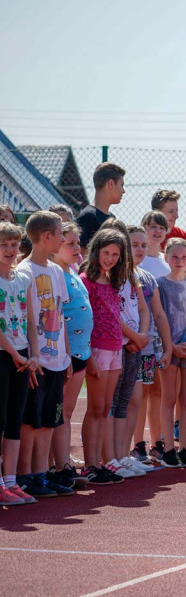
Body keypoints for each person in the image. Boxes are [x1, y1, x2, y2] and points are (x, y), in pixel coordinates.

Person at [17, 211, 74, 497]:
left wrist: (65, 356)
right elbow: (25, 319)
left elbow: (60, 315)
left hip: (56, 359)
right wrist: (30, 357)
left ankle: (40, 474)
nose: (64, 238)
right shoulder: (24, 273)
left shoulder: (56, 271)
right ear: (46, 236)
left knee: (50, 419)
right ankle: (23, 475)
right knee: (30, 419)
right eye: (60, 233)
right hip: (35, 360)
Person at [81, 228, 131, 481]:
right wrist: (88, 356)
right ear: (96, 251)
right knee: (96, 407)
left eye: (115, 254)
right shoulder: (85, 281)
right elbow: (84, 320)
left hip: (115, 348)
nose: (110, 258)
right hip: (97, 349)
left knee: (105, 409)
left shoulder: (113, 281)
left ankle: (100, 462)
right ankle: (89, 465)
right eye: (106, 252)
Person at [51, 222, 95, 488]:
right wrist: (66, 354)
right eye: (70, 243)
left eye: (78, 243)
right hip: (64, 355)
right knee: (57, 413)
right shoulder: (55, 273)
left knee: (66, 412)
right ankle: (55, 466)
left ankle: (62, 464)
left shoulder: (74, 272)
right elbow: (58, 317)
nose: (77, 248)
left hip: (80, 352)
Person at [108, 225, 153, 478]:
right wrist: (134, 336)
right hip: (120, 344)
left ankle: (123, 455)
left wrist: (142, 336)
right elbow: (113, 313)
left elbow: (143, 310)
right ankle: (112, 457)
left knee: (124, 401)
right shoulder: (112, 277)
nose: (135, 250)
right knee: (113, 402)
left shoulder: (134, 277)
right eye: (131, 244)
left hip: (136, 343)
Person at [155, 238, 186, 469]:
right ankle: (168, 449)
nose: (179, 261)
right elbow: (158, 317)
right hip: (168, 349)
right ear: (166, 257)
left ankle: (184, 448)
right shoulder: (159, 284)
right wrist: (171, 346)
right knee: (169, 398)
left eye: (184, 257)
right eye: (175, 256)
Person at [126, 226, 171, 467]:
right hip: (128, 348)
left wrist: (167, 346)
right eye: (135, 245)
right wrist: (135, 337)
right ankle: (136, 445)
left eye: (144, 245)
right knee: (133, 397)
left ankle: (157, 443)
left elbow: (159, 315)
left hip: (148, 347)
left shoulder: (147, 278)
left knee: (152, 392)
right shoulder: (118, 277)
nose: (140, 249)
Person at [0, 221, 38, 504]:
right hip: (5, 356)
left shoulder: (23, 280)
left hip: (23, 357)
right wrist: (14, 353)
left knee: (15, 419)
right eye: (4, 245)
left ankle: (11, 482)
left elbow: (31, 321)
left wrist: (33, 355)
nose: (10, 250)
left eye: (14, 245)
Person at [76, 162, 125, 248]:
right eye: (121, 185)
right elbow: (82, 254)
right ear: (111, 184)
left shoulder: (112, 218)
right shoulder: (88, 216)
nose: (123, 191)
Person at [153, 190, 186, 264]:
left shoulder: (185, 237)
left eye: (176, 211)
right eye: (171, 211)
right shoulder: (145, 238)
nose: (176, 216)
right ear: (157, 212)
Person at [139, 211, 171, 278]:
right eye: (153, 226)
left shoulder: (168, 260)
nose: (158, 231)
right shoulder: (136, 259)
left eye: (162, 228)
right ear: (143, 228)